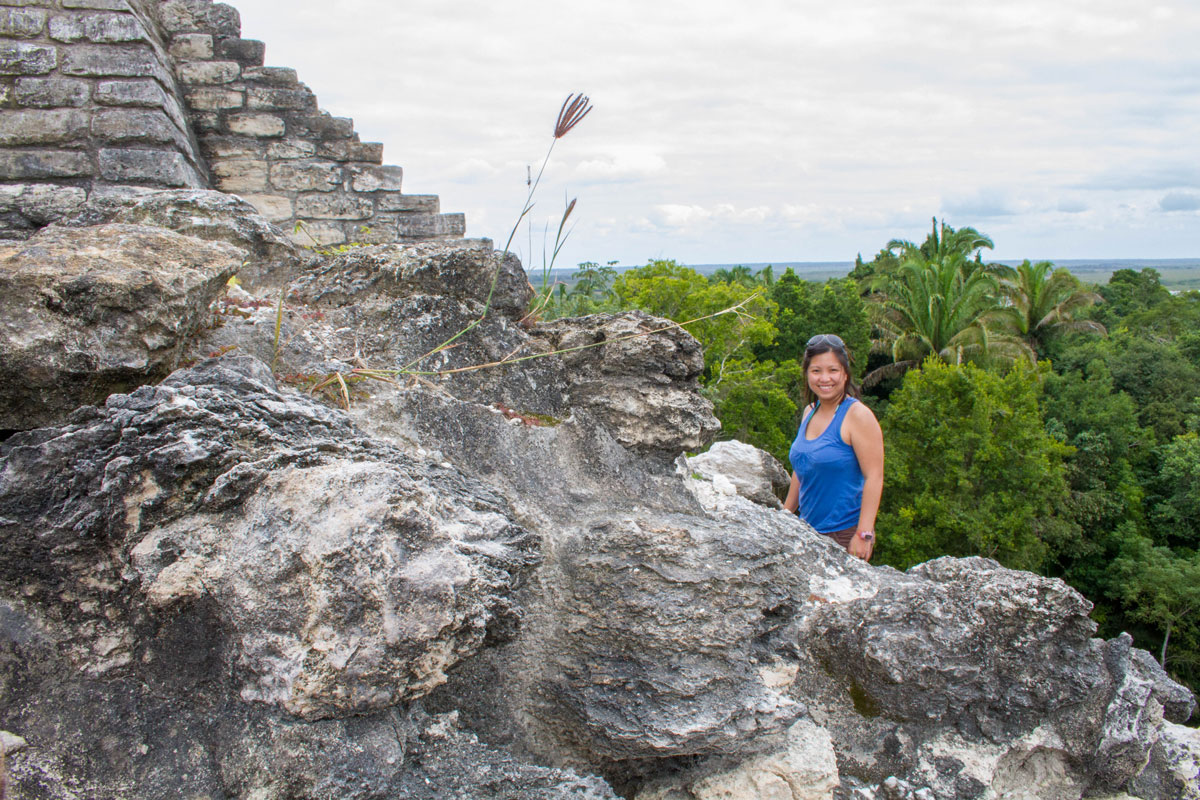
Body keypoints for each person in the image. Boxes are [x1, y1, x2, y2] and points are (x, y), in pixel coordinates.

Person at [783, 334, 884, 560]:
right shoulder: (810, 412)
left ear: (845, 373)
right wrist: (785, 515)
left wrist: (864, 534)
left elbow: (874, 476)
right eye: (816, 371)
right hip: (806, 531)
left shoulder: (857, 415)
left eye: (833, 370)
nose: (825, 378)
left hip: (843, 534)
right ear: (807, 374)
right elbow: (802, 467)